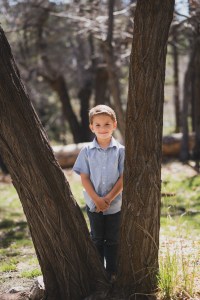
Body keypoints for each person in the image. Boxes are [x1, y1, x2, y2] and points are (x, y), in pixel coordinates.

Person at [73, 104, 125, 280]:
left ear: (114, 124)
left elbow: (123, 178)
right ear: (91, 127)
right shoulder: (86, 151)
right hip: (92, 203)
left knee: (113, 239)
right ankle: (97, 274)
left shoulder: (121, 151)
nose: (102, 129)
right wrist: (97, 199)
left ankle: (111, 273)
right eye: (98, 125)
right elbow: (85, 177)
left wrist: (108, 199)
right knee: (96, 238)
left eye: (107, 124)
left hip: (115, 204)